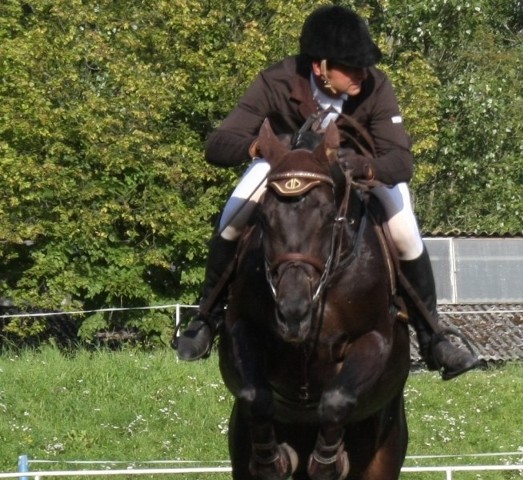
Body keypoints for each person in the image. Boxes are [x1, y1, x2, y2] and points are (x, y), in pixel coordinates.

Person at [177, 5, 483, 380]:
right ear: (320, 66)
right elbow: (219, 143)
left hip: (360, 172)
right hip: (287, 171)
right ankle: (205, 319)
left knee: (404, 233)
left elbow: (400, 162)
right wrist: (261, 148)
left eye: (362, 66)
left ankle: (433, 335)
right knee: (233, 217)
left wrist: (362, 166)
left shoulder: (376, 86)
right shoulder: (277, 81)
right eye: (350, 67)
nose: (361, 74)